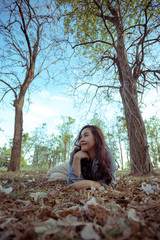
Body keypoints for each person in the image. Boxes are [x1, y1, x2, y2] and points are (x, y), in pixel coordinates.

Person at [67, 125, 116, 190]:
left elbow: (111, 184)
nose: (81, 140)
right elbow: (71, 184)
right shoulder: (75, 154)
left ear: (96, 138)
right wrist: (76, 159)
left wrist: (92, 184)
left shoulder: (107, 154)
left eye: (86, 135)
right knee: (54, 174)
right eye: (80, 137)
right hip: (68, 166)